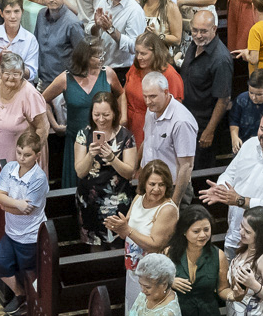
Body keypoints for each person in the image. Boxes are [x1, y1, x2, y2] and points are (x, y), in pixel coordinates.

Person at [201, 107, 263, 258]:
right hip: (236, 236)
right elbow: (230, 173)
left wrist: (240, 200)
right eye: (262, 129)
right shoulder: (250, 144)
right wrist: (222, 188)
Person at [43, 39, 125, 188]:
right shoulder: (65, 78)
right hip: (76, 141)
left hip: (105, 141)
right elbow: (42, 100)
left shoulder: (108, 74)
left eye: (102, 54)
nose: (101, 59)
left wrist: (122, 118)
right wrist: (54, 125)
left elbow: (121, 94)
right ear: (85, 57)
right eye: (97, 56)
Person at [0, 50, 47, 212]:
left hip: (20, 158)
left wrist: (30, 158)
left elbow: (43, 127)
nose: (11, 78)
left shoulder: (30, 94)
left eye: (17, 73)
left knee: (15, 201)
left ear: (23, 74)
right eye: (7, 73)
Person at [105, 159, 178, 310]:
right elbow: (126, 230)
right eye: (152, 184)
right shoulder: (139, 198)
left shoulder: (167, 209)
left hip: (153, 276)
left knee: (145, 314)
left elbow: (155, 244)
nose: (156, 189)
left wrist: (127, 230)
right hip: (133, 269)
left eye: (161, 184)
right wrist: (117, 227)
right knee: (132, 311)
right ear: (144, 183)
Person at [0, 131, 47, 316]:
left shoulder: (39, 178)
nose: (21, 158)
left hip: (30, 236)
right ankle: (20, 294)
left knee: (29, 275)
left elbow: (26, 210)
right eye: (19, 152)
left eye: (27, 155)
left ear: (37, 155)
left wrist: (7, 205)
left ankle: (32, 306)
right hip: (11, 232)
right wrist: (15, 204)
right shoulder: (9, 168)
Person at [74, 91, 137, 245]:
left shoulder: (126, 136)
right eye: (97, 114)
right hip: (90, 200)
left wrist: (112, 159)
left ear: (114, 113)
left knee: (117, 245)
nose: (101, 119)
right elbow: (80, 172)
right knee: (94, 244)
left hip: (117, 200)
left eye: (106, 115)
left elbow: (129, 173)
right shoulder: (84, 134)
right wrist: (90, 155)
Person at [163, 205, 226, 316]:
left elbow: (223, 289)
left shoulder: (219, 255)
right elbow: (158, 284)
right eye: (196, 231)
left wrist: (234, 295)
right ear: (184, 231)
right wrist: (170, 282)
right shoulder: (169, 253)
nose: (203, 235)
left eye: (206, 229)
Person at [180, 10, 232, 169]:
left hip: (203, 125)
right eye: (195, 30)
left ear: (214, 29)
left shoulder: (221, 59)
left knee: (199, 169)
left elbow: (223, 100)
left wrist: (209, 131)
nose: (198, 35)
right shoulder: (194, 44)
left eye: (203, 31)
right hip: (186, 119)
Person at [138, 70, 197, 202]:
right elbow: (147, 143)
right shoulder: (151, 110)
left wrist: (174, 203)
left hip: (172, 188)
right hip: (150, 183)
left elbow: (186, 166)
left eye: (152, 96)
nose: (148, 101)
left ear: (165, 92)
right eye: (145, 96)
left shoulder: (181, 121)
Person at [123, 29, 183, 147]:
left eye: (143, 53)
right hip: (130, 125)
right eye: (137, 52)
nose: (139, 57)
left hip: (152, 130)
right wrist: (123, 118)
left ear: (155, 52)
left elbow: (175, 111)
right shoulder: (136, 67)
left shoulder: (169, 74)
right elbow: (124, 93)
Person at [89, 0, 147, 71]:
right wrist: (97, 26)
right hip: (100, 67)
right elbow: (89, 31)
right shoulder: (104, 0)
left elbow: (135, 47)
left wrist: (111, 30)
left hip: (122, 70)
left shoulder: (135, 11)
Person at [33, 0, 84, 90]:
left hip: (64, 85)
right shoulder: (41, 15)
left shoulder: (73, 23)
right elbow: (36, 45)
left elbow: (82, 57)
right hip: (42, 81)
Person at [0, 0, 40, 80]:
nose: (13, 16)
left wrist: (15, 65)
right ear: (1, 13)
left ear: (22, 12)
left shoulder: (30, 39)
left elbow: (31, 73)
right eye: (8, 12)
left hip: (21, 85)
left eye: (16, 11)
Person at [226, 68, 263, 152]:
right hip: (244, 144)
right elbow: (234, 121)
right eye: (251, 93)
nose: (254, 97)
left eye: (259, 94)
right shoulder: (241, 100)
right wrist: (234, 137)